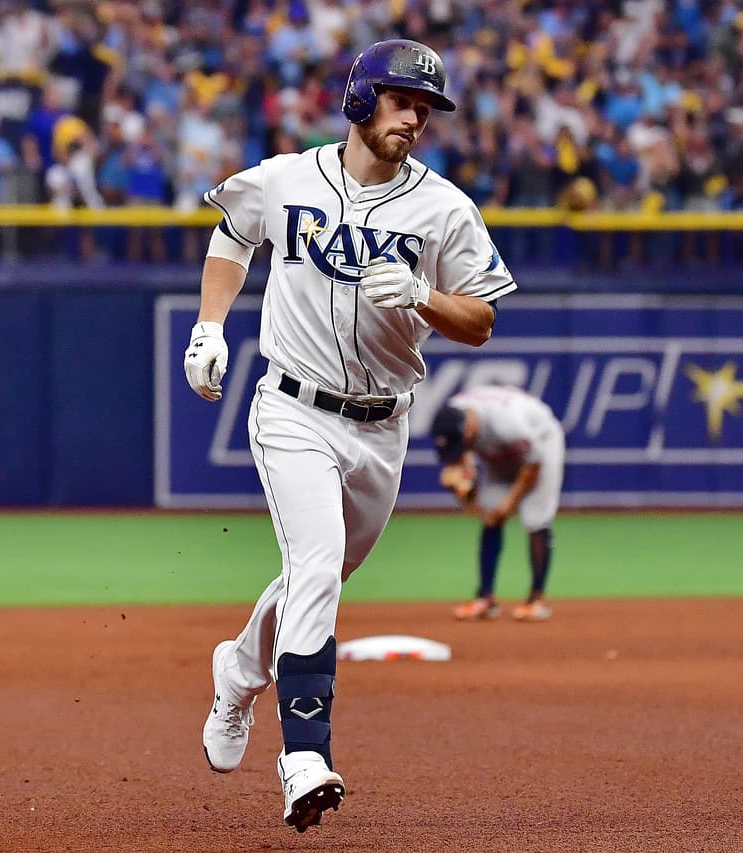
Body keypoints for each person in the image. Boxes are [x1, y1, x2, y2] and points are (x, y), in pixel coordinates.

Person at [184, 39, 516, 833]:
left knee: (319, 570)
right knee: (319, 563)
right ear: (362, 99)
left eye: (426, 108)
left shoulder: (444, 208)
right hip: (292, 407)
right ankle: (305, 755)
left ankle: (238, 668)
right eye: (403, 101)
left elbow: (484, 318)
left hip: (383, 426)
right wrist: (208, 326)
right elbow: (235, 229)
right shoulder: (289, 177)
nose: (416, 118)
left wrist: (426, 295)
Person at [430, 384, 566, 623]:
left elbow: (533, 464)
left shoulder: (508, 424)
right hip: (498, 453)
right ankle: (485, 599)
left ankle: (537, 600)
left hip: (541, 444)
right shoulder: (454, 417)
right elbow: (462, 455)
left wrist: (510, 503)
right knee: (490, 516)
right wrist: (464, 489)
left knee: (536, 517)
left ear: (469, 428)